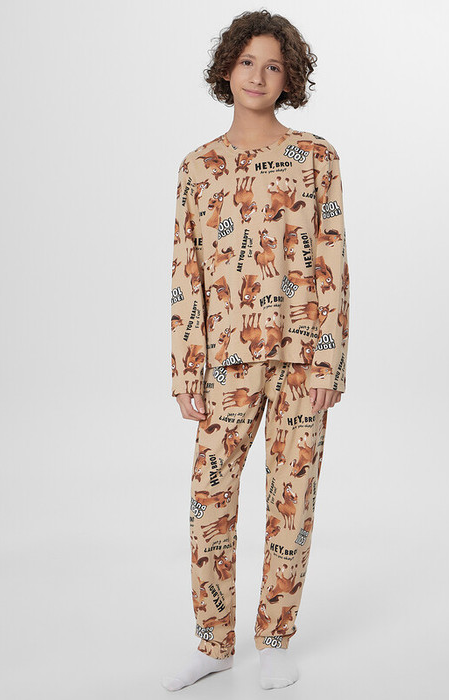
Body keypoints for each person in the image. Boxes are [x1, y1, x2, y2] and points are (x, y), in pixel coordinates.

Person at [162, 9, 350, 692]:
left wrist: (329, 360)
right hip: (225, 362)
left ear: (289, 77)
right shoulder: (198, 166)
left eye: (273, 65)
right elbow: (186, 270)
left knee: (290, 499)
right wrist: (186, 367)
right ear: (227, 69)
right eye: (247, 62)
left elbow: (333, 260)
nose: (258, 76)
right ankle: (214, 642)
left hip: (302, 358)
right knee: (210, 495)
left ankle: (274, 638)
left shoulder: (316, 158)